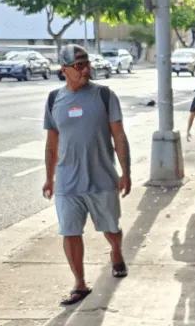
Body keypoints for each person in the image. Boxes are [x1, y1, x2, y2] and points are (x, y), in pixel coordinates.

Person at [42, 44, 131, 306]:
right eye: (79, 66)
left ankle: (116, 252)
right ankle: (79, 283)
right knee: (69, 231)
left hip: (102, 177)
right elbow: (51, 143)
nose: (86, 70)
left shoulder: (104, 95)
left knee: (111, 228)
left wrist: (125, 172)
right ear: (65, 70)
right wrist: (49, 178)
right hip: (68, 181)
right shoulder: (53, 100)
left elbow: (119, 135)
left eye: (87, 64)